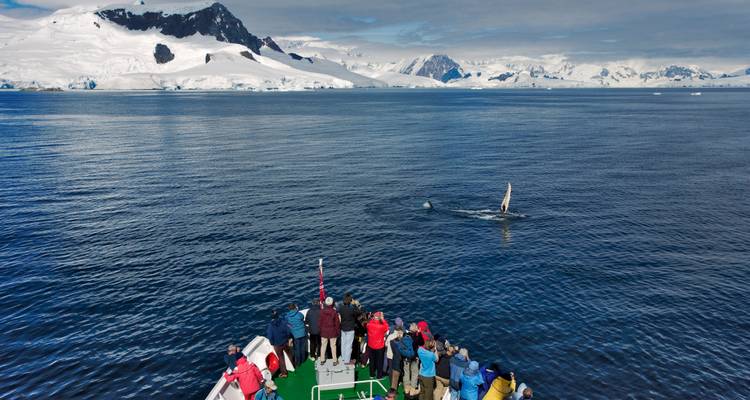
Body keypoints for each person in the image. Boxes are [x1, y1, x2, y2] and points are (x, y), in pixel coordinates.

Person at [266, 310, 292, 378]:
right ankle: (292, 365)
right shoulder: (283, 321)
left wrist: (272, 343)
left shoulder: (270, 326)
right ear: (278, 315)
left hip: (277, 345)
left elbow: (270, 336)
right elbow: (288, 331)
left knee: (281, 358)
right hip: (285, 342)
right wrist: (288, 338)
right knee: (289, 354)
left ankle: (284, 373)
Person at [366, 311, 390, 379]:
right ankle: (379, 376)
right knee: (380, 361)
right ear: (379, 318)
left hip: (371, 345)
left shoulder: (369, 324)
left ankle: (371, 374)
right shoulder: (381, 326)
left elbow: (369, 321)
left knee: (372, 360)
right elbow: (387, 328)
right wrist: (383, 319)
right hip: (379, 346)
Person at [319, 296, 341, 365]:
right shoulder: (334, 312)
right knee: (333, 346)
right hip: (333, 332)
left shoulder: (322, 311)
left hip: (324, 332)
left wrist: (320, 330)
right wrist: (338, 332)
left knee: (323, 346)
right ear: (332, 304)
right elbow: (337, 324)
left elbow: (320, 322)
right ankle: (335, 361)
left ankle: (322, 360)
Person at [338, 293, 358, 365]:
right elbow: (357, 313)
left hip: (343, 328)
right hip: (350, 329)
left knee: (343, 343)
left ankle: (343, 357)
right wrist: (355, 305)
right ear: (350, 300)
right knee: (349, 345)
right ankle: (347, 361)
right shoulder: (352, 309)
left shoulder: (340, 308)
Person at [286, 303, 307, 367]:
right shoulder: (299, 314)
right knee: (303, 347)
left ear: (289, 309)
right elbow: (302, 317)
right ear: (295, 307)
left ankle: (298, 362)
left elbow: (287, 323)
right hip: (302, 333)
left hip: (295, 335)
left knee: (297, 348)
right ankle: (303, 359)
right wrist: (297, 310)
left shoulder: (287, 316)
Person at [402, 323, 420, 396]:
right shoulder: (416, 337)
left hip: (406, 357)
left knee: (406, 372)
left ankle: (406, 388)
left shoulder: (405, 335)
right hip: (414, 357)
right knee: (414, 372)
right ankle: (412, 389)